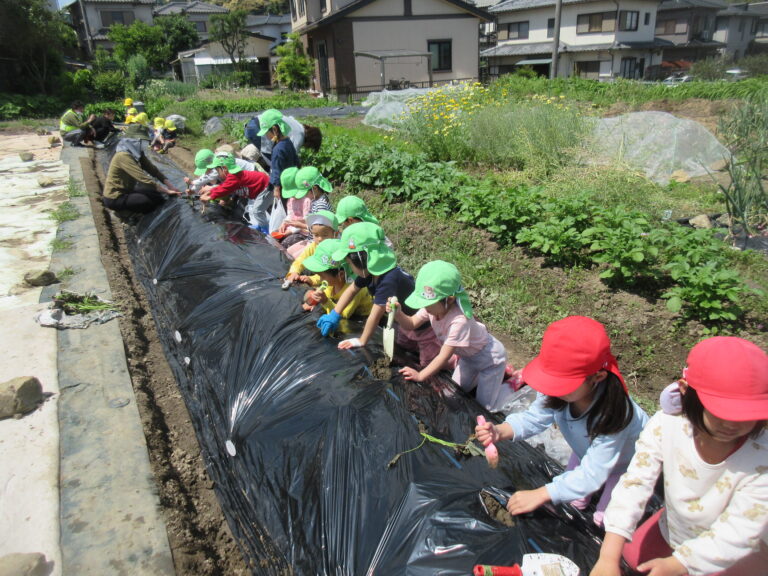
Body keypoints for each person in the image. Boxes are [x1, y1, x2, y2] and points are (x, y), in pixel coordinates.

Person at [591, 337, 768, 576]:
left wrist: (678, 565)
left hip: (740, 544)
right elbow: (635, 482)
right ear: (685, 391)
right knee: (631, 557)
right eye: (721, 411)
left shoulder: (761, 458)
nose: (732, 424)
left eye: (746, 414)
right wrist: (607, 556)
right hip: (678, 525)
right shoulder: (668, 425)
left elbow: (740, 530)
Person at [475, 316, 648, 526]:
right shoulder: (560, 393)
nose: (552, 389)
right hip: (584, 448)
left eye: (562, 383)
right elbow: (535, 418)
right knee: (574, 499)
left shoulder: (614, 417)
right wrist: (501, 431)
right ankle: (580, 496)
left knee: (606, 520)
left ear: (598, 377)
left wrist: (541, 494)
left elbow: (592, 473)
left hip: (625, 463)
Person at [386, 260, 515, 412]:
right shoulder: (432, 308)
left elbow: (443, 356)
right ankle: (492, 379)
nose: (425, 307)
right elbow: (412, 324)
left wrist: (420, 376)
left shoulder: (459, 321)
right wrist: (399, 314)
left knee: (483, 406)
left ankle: (511, 384)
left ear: (450, 299)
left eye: (428, 303)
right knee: (452, 393)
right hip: (467, 359)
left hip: (490, 360)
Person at [317, 222, 442, 367]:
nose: (349, 267)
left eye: (350, 263)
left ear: (362, 259)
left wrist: (362, 340)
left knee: (427, 360)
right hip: (403, 323)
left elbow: (375, 316)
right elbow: (351, 290)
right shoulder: (370, 270)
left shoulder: (388, 279)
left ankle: (439, 370)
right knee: (404, 348)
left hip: (423, 326)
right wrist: (335, 314)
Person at [101, 129, 181, 214]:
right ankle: (127, 214)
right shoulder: (123, 156)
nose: (144, 144)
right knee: (146, 201)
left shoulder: (137, 153)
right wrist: (167, 191)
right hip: (115, 197)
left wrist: (170, 186)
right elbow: (142, 178)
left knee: (156, 195)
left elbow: (153, 170)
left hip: (127, 190)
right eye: (142, 141)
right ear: (133, 141)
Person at [300, 238, 372, 317]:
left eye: (321, 276)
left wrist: (325, 302)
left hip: (361, 317)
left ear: (340, 275)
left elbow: (343, 314)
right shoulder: (332, 283)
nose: (320, 280)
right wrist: (315, 300)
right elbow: (326, 295)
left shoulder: (355, 289)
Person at [199, 154, 271, 232]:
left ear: (224, 168)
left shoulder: (234, 176)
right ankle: (262, 225)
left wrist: (210, 196)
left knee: (257, 211)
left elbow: (225, 188)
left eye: (217, 170)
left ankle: (266, 230)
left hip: (266, 188)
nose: (217, 173)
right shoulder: (232, 177)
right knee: (254, 210)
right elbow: (224, 187)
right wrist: (210, 192)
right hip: (258, 192)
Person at [285, 210, 339, 287]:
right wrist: (294, 272)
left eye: (325, 235)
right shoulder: (314, 246)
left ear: (335, 234)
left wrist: (312, 280)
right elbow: (301, 259)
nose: (320, 239)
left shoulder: (336, 250)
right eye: (316, 235)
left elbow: (330, 274)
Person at [256, 109, 300, 203]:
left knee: (287, 209)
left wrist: (276, 188)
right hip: (293, 181)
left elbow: (276, 169)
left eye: (267, 132)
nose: (266, 136)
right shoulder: (288, 142)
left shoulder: (277, 149)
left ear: (275, 129)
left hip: (283, 186)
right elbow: (296, 160)